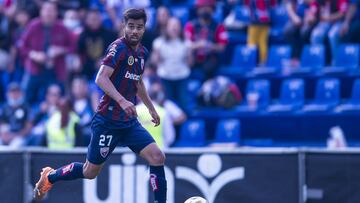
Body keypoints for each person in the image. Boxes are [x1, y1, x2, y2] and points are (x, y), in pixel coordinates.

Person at [33, 8, 167, 203]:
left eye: (139, 27)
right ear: (124, 26)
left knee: (157, 157)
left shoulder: (142, 52)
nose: (135, 31)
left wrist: (150, 107)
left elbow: (137, 82)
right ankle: (50, 177)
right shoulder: (118, 48)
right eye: (131, 26)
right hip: (108, 121)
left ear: (144, 29)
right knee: (89, 172)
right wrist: (122, 100)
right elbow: (100, 78)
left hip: (128, 122)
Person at [151, 17, 192, 110]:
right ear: (167, 28)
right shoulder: (158, 42)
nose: (174, 28)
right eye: (172, 26)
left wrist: (190, 53)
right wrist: (156, 55)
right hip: (165, 77)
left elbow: (190, 63)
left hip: (182, 77)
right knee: (167, 104)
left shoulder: (186, 43)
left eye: (177, 25)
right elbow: (154, 62)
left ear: (180, 28)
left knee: (183, 104)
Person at [184, 0, 228, 79]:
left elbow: (222, 47)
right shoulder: (191, 25)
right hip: (194, 57)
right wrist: (199, 44)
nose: (205, 10)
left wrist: (209, 45)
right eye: (202, 7)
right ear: (197, 10)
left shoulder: (219, 26)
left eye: (208, 7)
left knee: (209, 68)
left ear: (213, 10)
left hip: (211, 58)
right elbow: (187, 44)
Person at [0, 82, 32, 148]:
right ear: (8, 94)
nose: (14, 94)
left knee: (15, 146)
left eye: (17, 92)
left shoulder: (26, 108)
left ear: (21, 93)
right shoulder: (4, 108)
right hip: (6, 135)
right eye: (12, 92)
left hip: (20, 137)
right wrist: (3, 135)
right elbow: (2, 123)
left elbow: (28, 128)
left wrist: (15, 135)